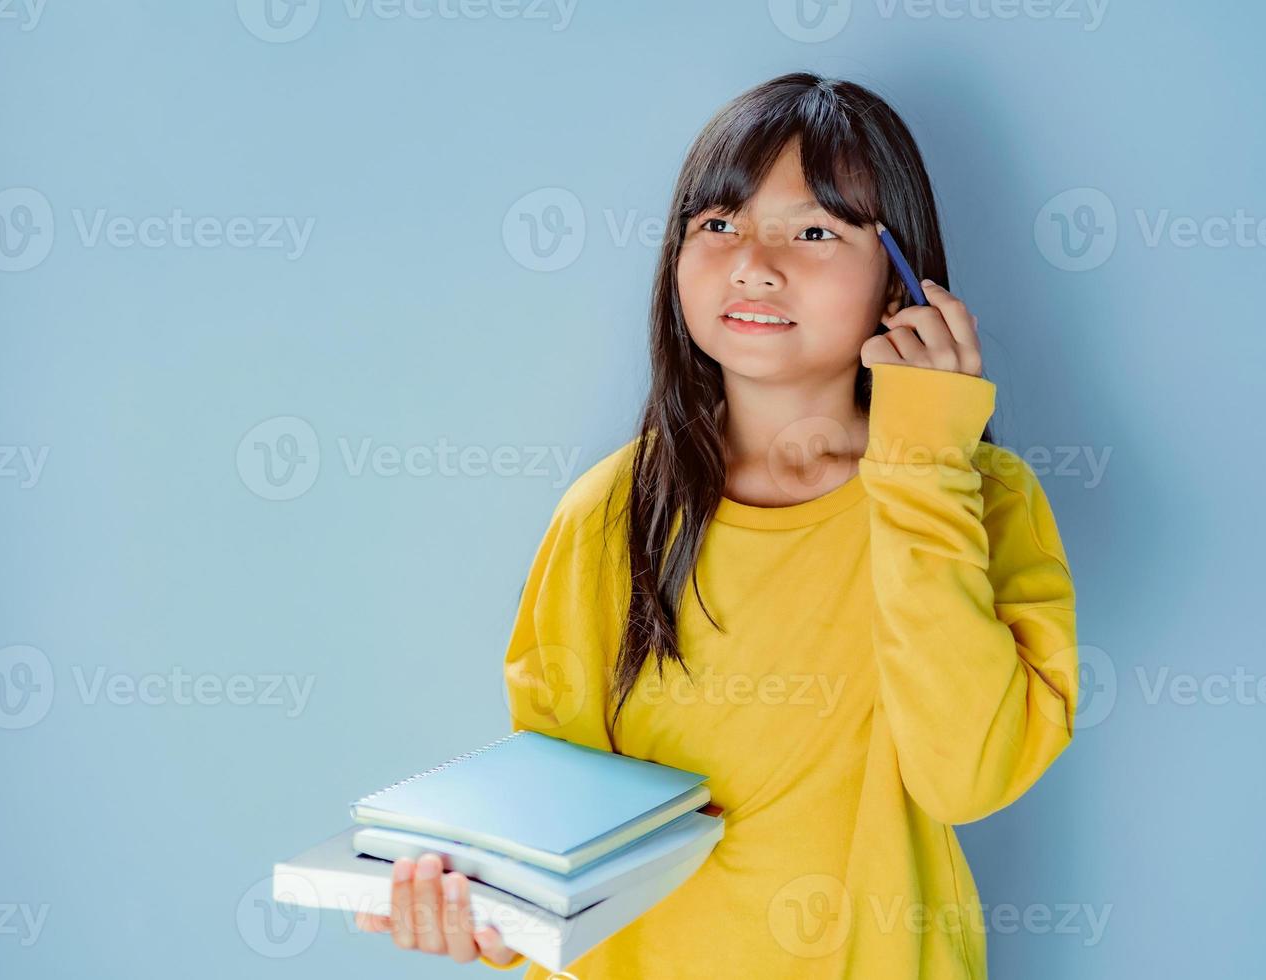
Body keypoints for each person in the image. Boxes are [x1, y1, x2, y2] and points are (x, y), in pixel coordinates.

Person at [357, 70, 1079, 979]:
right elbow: (557, 821)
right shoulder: (610, 513)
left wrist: (924, 462)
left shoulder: (983, 496)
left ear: (903, 287)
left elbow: (966, 778)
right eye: (718, 225)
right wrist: (489, 912)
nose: (754, 262)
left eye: (815, 231)